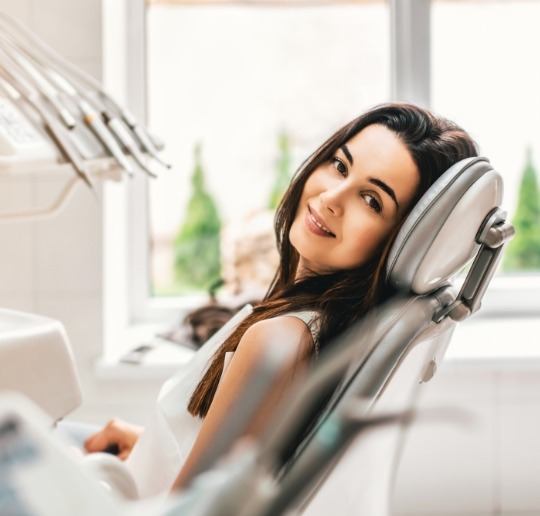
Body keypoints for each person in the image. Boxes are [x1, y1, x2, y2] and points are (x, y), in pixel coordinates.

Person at [83, 101, 479, 495]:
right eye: (340, 166)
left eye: (371, 200)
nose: (331, 198)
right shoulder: (323, 330)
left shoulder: (279, 341)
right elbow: (241, 470)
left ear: (399, 243)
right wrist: (146, 447)